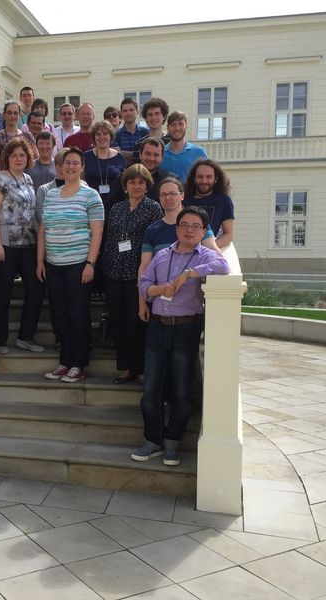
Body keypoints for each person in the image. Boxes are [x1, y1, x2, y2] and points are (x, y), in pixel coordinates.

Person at [132, 207, 229, 466]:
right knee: (151, 388)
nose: (189, 230)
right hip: (157, 327)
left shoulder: (206, 255)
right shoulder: (162, 255)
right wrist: (157, 289)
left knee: (182, 389)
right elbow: (143, 283)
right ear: (176, 228)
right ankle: (152, 441)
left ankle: (172, 443)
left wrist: (188, 274)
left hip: (186, 329)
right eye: (184, 225)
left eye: (195, 226)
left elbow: (223, 265)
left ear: (203, 231)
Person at [37, 147, 104, 383]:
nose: (71, 166)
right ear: (60, 167)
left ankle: (79, 363)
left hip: (78, 264)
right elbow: (44, 229)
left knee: (78, 315)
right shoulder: (52, 194)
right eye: (67, 163)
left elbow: (97, 233)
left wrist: (90, 263)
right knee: (60, 315)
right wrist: (40, 261)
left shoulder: (91, 196)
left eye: (76, 163)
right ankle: (64, 362)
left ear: (82, 167)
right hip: (54, 264)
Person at [101, 165, 163, 384]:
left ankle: (141, 368)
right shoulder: (116, 208)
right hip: (113, 271)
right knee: (118, 321)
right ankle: (126, 367)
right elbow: (109, 239)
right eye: (132, 182)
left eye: (141, 182)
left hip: (139, 273)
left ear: (147, 185)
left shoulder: (154, 208)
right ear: (125, 186)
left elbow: (155, 243)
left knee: (137, 322)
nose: (136, 186)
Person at [0, 138, 45, 354]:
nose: (19, 159)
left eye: (22, 155)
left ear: (28, 157)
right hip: (6, 243)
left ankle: (25, 336)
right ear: (7, 158)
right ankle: (0, 339)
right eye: (14, 155)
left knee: (36, 289)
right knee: (4, 292)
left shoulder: (29, 179)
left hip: (28, 243)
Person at [106, 137, 169, 216]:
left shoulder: (167, 181)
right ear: (140, 154)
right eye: (148, 153)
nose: (151, 158)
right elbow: (110, 209)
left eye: (156, 155)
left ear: (162, 157)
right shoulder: (124, 178)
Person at [183, 159, 236, 248]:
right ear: (194, 179)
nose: (204, 181)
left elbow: (228, 235)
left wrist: (208, 249)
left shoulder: (224, 201)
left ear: (215, 179)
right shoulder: (183, 199)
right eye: (200, 176)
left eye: (209, 177)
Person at [83, 120, 126, 204]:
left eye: (105, 134)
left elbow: (124, 184)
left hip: (115, 204)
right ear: (94, 137)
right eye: (98, 134)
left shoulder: (120, 157)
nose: (102, 137)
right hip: (90, 203)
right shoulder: (85, 157)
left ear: (111, 136)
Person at [160, 112, 207, 184]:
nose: (177, 128)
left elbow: (206, 178)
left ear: (186, 126)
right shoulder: (160, 154)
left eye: (180, 124)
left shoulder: (199, 153)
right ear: (167, 127)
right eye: (173, 124)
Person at [132, 97, 170, 163]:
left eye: (157, 114)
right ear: (146, 118)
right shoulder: (139, 144)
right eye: (150, 115)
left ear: (164, 116)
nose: (153, 117)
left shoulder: (171, 142)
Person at [114, 98, 149, 163]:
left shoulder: (146, 133)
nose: (128, 113)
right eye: (125, 110)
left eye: (131, 110)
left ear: (137, 112)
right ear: (121, 114)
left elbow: (148, 155)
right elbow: (116, 155)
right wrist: (138, 153)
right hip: (123, 172)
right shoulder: (115, 135)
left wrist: (121, 152)